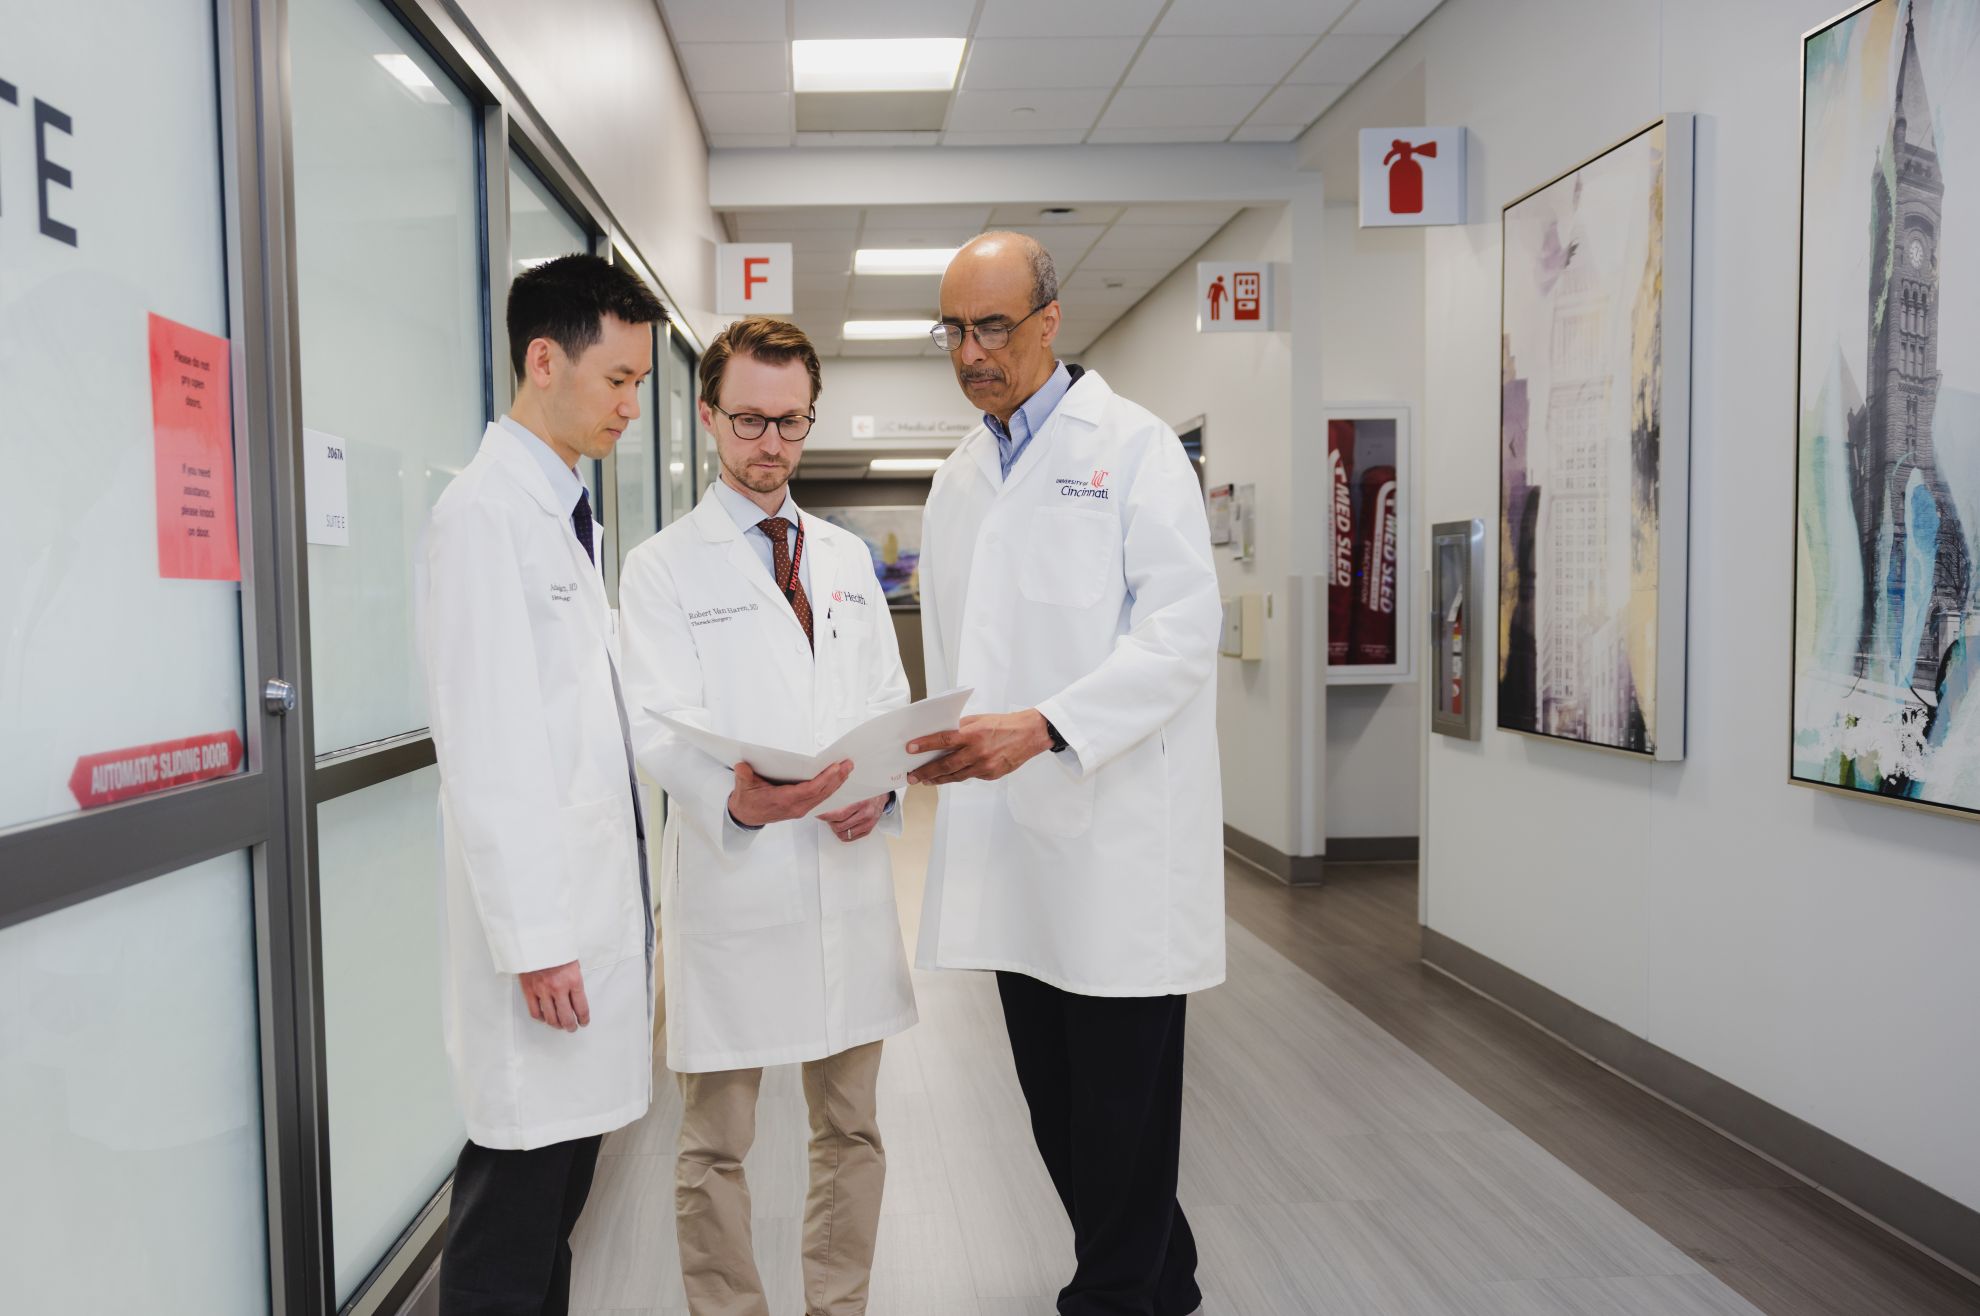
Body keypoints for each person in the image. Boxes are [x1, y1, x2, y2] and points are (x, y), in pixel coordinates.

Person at [907, 233, 1223, 1316]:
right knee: (1059, 1110)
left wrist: (1044, 725)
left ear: (1051, 318)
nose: (971, 350)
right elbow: (959, 654)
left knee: (1122, 1112)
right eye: (953, 328)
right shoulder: (959, 477)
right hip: (1011, 845)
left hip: (1119, 844)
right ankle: (1162, 1279)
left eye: (992, 325)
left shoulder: (1133, 451)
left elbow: (1184, 634)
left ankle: (1118, 1296)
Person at [619, 316, 917, 1316]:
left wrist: (884, 785)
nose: (770, 444)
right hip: (734, 880)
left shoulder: (840, 557)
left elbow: (887, 692)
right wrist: (732, 799)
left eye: (791, 422)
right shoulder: (663, 565)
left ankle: (840, 1305)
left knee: (854, 1131)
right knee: (714, 1144)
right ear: (707, 414)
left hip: (843, 878)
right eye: (749, 418)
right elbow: (657, 726)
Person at [416, 253, 665, 1315]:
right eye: (616, 379)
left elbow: (585, 724)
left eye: (641, 384)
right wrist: (535, 938)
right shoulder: (484, 517)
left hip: (587, 924)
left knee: (555, 1200)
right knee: (512, 1214)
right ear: (542, 358)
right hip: (546, 943)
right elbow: (489, 747)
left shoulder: (562, 512)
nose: (631, 405)